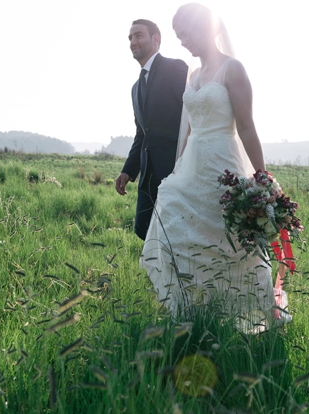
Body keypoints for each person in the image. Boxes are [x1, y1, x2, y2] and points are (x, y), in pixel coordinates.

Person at [141, 3, 284, 330]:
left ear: (205, 27)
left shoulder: (233, 70)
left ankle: (246, 319)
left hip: (224, 163)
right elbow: (189, 129)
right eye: (178, 36)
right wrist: (179, 168)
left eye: (186, 33)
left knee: (229, 242)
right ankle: (193, 313)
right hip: (193, 165)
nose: (183, 41)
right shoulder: (193, 75)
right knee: (175, 232)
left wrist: (261, 178)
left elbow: (246, 126)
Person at [115, 19, 188, 240]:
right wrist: (128, 170)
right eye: (130, 38)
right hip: (148, 174)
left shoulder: (174, 68)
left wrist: (186, 161)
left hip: (177, 170)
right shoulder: (136, 87)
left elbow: (192, 114)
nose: (132, 41)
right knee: (143, 228)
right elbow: (142, 133)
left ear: (155, 40)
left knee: (177, 232)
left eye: (138, 35)